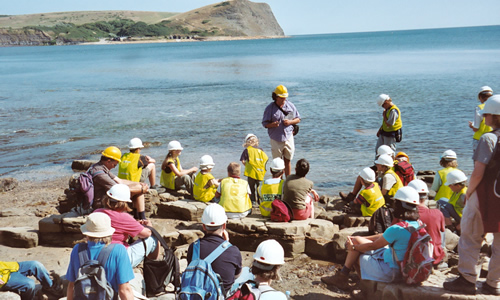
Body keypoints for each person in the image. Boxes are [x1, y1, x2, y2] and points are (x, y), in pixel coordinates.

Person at [443, 95, 500, 295]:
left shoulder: (488, 138)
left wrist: (469, 192)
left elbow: (478, 172)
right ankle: (494, 284)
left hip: (485, 192)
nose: (484, 118)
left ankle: (467, 279)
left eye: (486, 114)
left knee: (469, 234)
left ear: (494, 116)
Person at [321, 187, 420, 290]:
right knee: (356, 242)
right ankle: (346, 277)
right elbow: (384, 235)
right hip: (406, 267)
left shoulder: (397, 228)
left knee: (355, 255)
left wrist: (354, 248)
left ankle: (361, 287)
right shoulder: (417, 225)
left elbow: (374, 246)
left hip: (392, 271)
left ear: (399, 206)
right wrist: (359, 238)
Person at [66, 212, 135, 300]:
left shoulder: (77, 249)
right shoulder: (118, 250)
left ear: (87, 232)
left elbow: (71, 285)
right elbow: (125, 289)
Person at [94, 184, 160, 268]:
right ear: (123, 203)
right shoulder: (124, 217)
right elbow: (146, 234)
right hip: (119, 258)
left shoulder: (97, 212)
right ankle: (154, 268)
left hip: (97, 254)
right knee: (153, 239)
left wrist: (134, 224)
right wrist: (150, 227)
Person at [187, 203, 242, 294]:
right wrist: (226, 244)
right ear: (224, 226)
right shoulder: (233, 251)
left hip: (198, 295)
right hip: (221, 296)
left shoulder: (194, 247)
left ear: (204, 226)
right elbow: (236, 275)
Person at [88, 146, 149, 220]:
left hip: (109, 195)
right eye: (114, 165)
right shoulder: (99, 174)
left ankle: (139, 218)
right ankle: (141, 218)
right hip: (102, 202)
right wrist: (141, 189)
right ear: (108, 161)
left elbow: (120, 180)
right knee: (139, 191)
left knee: (139, 188)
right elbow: (117, 189)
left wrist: (138, 184)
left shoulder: (101, 167)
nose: (114, 167)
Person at [262, 85, 301, 176]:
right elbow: (264, 124)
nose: (284, 99)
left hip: (288, 136)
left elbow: (298, 119)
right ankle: (277, 182)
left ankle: (287, 182)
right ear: (276, 97)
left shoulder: (290, 105)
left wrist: (290, 122)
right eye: (281, 98)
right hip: (275, 138)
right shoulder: (270, 108)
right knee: (277, 163)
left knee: (288, 160)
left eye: (285, 97)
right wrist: (273, 125)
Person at [408, 179, 446, 268]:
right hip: (435, 257)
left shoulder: (406, 215)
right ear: (426, 196)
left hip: (415, 257)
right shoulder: (437, 213)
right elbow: (441, 234)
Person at [240, 134, 268, 205]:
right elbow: (265, 159)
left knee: (251, 188)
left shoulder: (247, 150)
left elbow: (243, 161)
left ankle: (252, 201)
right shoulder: (261, 150)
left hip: (251, 173)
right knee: (259, 188)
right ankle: (260, 201)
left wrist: (248, 166)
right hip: (260, 173)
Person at [469, 86, 493, 153]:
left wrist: (472, 126)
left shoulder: (479, 108)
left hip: (480, 139)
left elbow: (476, 128)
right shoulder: (496, 107)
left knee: (479, 162)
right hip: (494, 139)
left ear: (480, 97)